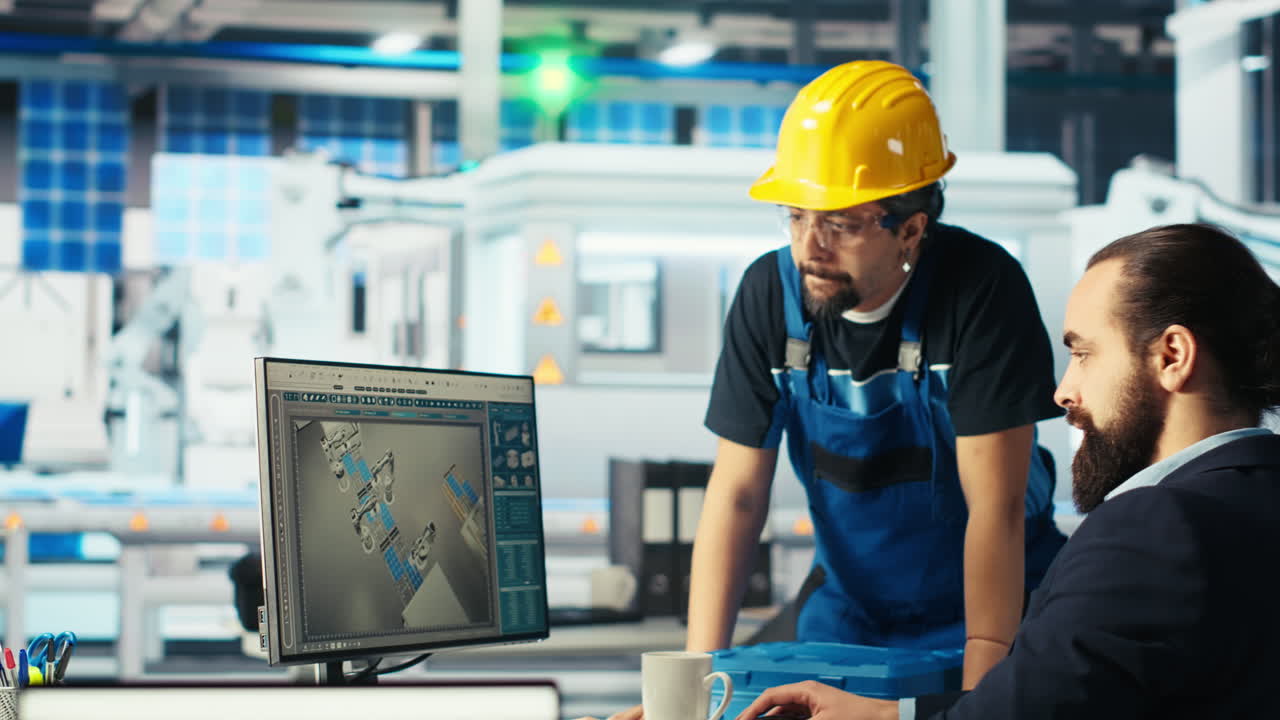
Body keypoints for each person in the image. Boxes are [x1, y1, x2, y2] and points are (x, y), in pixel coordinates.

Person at [737, 223, 1280, 719]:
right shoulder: (1256, 502)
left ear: (1172, 356)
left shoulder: (1153, 527)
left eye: (1084, 354)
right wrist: (886, 715)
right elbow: (1053, 697)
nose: (1064, 391)